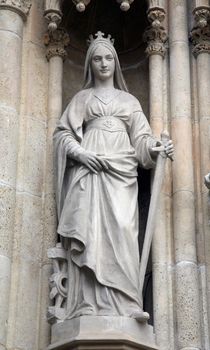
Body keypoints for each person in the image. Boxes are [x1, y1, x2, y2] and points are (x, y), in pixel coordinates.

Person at [53, 32, 174, 321]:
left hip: (121, 174)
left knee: (122, 232)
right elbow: (62, 135)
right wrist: (81, 155)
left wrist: (156, 148)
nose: (103, 64)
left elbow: (142, 140)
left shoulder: (129, 101)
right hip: (89, 172)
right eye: (97, 58)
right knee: (90, 232)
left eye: (108, 58)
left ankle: (126, 302)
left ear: (116, 63)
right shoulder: (82, 99)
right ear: (89, 64)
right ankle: (87, 305)